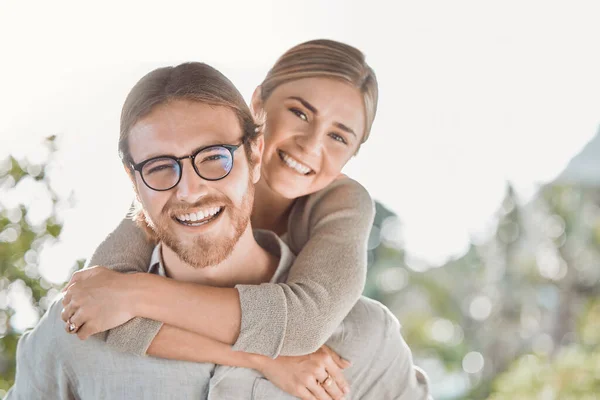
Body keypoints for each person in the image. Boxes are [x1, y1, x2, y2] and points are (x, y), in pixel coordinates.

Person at [8, 62, 429, 400]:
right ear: (133, 181)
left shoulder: (364, 341)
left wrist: (133, 294)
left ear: (255, 154)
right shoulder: (70, 336)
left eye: (214, 158)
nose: (189, 191)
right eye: (159, 167)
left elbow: (300, 322)